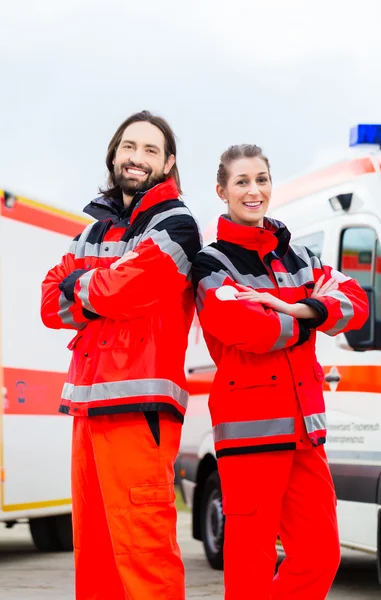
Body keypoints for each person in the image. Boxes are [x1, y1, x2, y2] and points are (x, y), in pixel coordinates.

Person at [192, 144, 369, 600]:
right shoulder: (213, 264)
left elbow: (356, 302)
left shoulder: (301, 258)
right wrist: (312, 318)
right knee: (249, 567)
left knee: (320, 556)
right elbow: (246, 329)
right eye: (242, 182)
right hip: (250, 436)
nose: (254, 191)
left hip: (305, 433)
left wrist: (295, 307)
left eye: (262, 179)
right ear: (222, 191)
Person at [41, 111, 202, 600]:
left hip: (140, 416)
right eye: (129, 147)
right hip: (88, 415)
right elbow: (51, 303)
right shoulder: (93, 231)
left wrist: (81, 286)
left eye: (151, 150)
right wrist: (96, 288)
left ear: (169, 163)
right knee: (96, 562)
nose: (137, 158)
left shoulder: (177, 225)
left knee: (143, 560)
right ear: (114, 155)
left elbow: (128, 290)